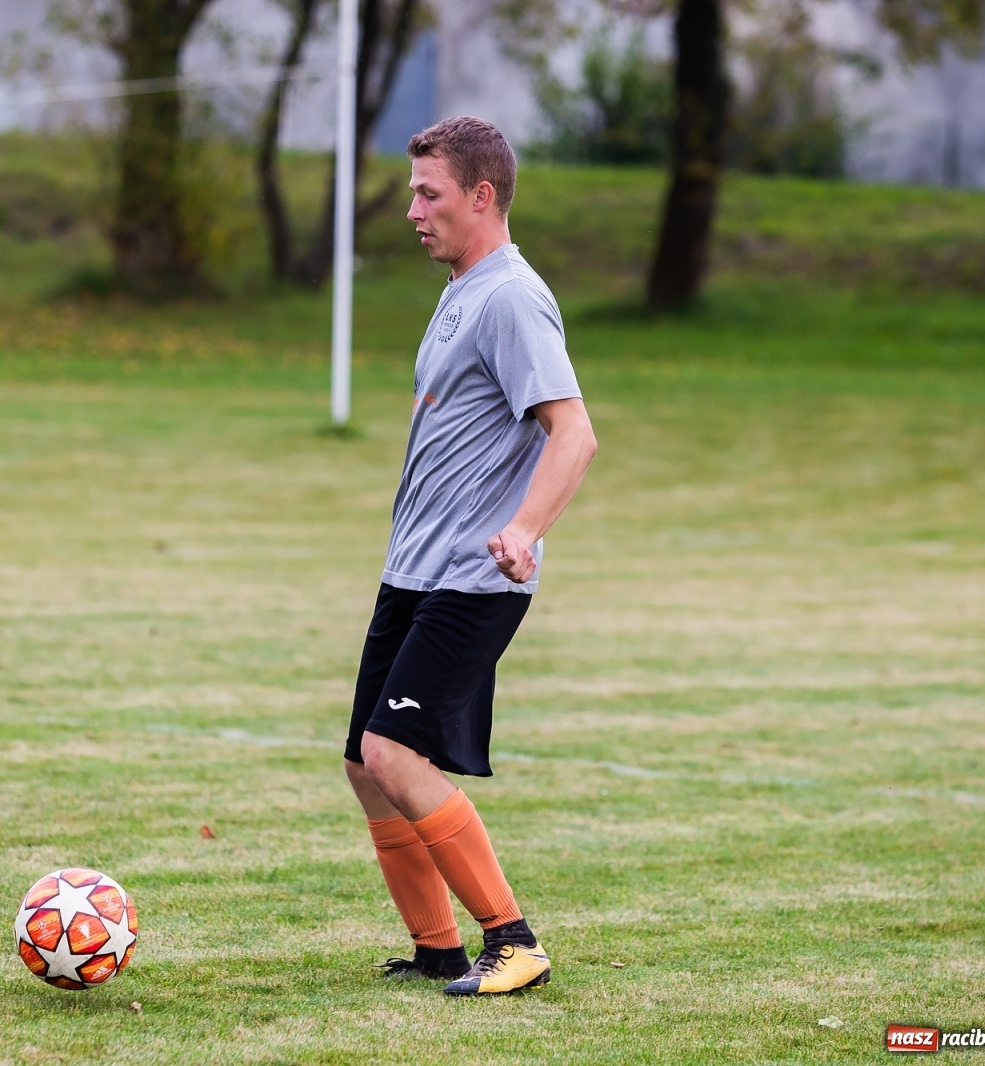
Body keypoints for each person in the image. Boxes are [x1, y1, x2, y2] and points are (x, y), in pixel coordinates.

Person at [343, 116, 598, 996]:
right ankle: (437, 950)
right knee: (363, 764)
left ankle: (515, 941)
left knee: (393, 754)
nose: (412, 210)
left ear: (481, 197)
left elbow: (575, 434)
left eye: (429, 193)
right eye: (413, 191)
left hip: (472, 578)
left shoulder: (511, 298)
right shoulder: (462, 288)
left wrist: (524, 529)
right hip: (414, 570)